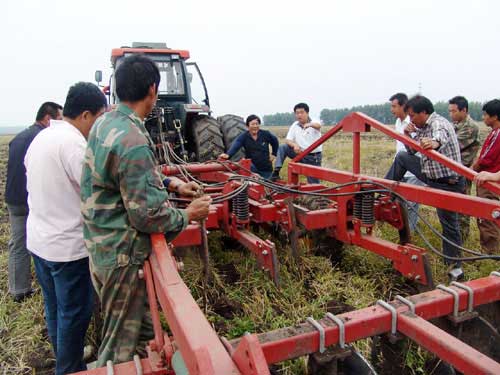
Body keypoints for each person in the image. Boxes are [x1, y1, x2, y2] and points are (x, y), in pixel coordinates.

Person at [80, 54, 211, 366]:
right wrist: (188, 215)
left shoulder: (106, 123)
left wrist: (173, 185)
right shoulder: (134, 139)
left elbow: (124, 176)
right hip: (122, 256)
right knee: (119, 349)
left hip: (102, 246)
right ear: (153, 90)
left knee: (144, 334)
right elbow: (147, 216)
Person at [24, 83, 107, 374]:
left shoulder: (43, 137)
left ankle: (64, 357)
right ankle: (69, 368)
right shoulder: (74, 145)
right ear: (86, 115)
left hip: (40, 241)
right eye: (99, 117)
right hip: (67, 249)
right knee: (74, 313)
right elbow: (97, 192)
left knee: (55, 308)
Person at [385, 95, 465, 278]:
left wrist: (434, 143)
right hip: (431, 175)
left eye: (412, 116)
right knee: (402, 158)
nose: (411, 119)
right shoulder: (421, 127)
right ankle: (384, 190)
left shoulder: (438, 124)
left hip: (448, 182)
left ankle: (455, 268)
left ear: (424, 112)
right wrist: (408, 135)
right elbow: (413, 151)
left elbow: (439, 138)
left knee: (449, 225)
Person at [4, 101, 62, 302]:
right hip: (29, 197)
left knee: (18, 242)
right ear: (48, 118)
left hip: (14, 197)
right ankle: (43, 283)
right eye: (59, 119)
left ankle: (19, 288)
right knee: (44, 240)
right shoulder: (42, 138)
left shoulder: (20, 136)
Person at [389, 93, 426, 231]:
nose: (392, 110)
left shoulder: (414, 124)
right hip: (401, 167)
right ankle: (403, 230)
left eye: (394, 106)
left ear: (403, 106)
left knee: (411, 204)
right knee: (397, 200)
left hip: (413, 171)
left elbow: (417, 148)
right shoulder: (398, 122)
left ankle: (409, 235)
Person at [448, 96, 481, 241]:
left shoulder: (469, 127)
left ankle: (461, 239)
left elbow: (451, 145)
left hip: (463, 171)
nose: (451, 114)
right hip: (453, 171)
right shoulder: (456, 125)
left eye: (454, 111)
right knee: (452, 205)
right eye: (450, 111)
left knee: (462, 206)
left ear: (464, 110)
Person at [471, 99, 500, 254]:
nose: (483, 118)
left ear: (494, 116)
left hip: (490, 184)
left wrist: (474, 168)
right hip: (488, 179)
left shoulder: (498, 133)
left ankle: (490, 256)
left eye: (485, 115)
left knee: (488, 219)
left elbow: (487, 158)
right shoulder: (494, 133)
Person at [271, 103, 322, 183]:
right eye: (297, 113)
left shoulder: (314, 121)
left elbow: (318, 125)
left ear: (307, 113)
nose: (299, 115)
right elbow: (288, 140)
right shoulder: (295, 125)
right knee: (283, 147)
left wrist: (309, 124)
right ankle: (276, 171)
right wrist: (294, 145)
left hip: (313, 157)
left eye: (302, 112)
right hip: (300, 154)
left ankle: (315, 194)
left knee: (314, 185)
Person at [219, 114, 279, 178]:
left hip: (266, 169)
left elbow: (275, 141)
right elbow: (236, 145)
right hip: (252, 169)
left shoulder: (266, 134)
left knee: (267, 186)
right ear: (247, 126)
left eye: (257, 124)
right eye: (252, 124)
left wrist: (274, 154)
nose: (255, 126)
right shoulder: (244, 136)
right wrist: (228, 155)